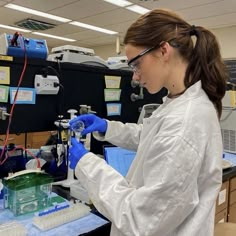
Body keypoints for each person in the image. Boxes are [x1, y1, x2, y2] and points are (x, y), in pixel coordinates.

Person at [69, 8, 228, 236]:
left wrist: (87, 165)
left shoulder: (185, 121)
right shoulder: (179, 101)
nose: (134, 76)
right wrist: (107, 127)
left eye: (136, 64)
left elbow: (139, 220)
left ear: (163, 50)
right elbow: (152, 137)